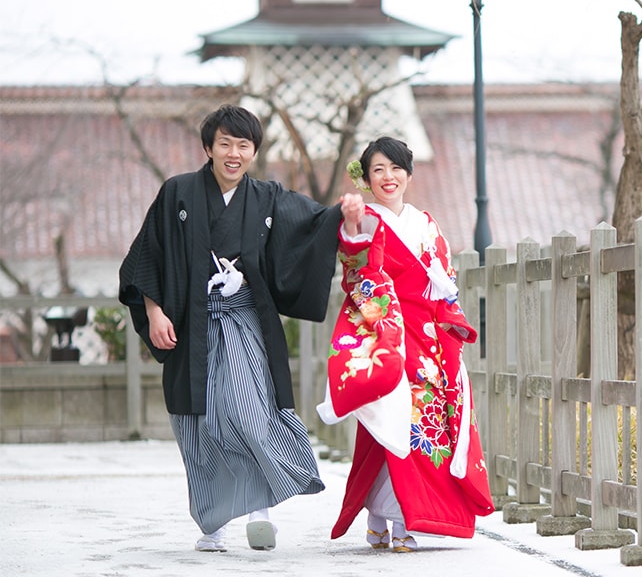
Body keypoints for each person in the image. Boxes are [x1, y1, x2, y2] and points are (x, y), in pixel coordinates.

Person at [119, 104, 365, 553]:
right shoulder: (177, 194)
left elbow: (312, 225)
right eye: (225, 144)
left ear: (254, 151)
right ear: (208, 147)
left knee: (250, 409)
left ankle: (260, 513)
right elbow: (147, 257)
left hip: (246, 321)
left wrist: (343, 213)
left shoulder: (268, 197)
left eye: (244, 145)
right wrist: (154, 313)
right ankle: (212, 522)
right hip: (190, 327)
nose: (234, 154)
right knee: (200, 422)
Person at [317, 136, 493, 551]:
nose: (388, 177)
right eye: (378, 169)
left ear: (409, 174)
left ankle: (391, 516)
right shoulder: (368, 220)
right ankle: (394, 519)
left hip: (428, 335)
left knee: (421, 428)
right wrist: (351, 226)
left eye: (396, 168)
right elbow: (357, 272)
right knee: (392, 420)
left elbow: (444, 280)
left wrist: (449, 319)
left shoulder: (426, 224)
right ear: (367, 178)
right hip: (388, 334)